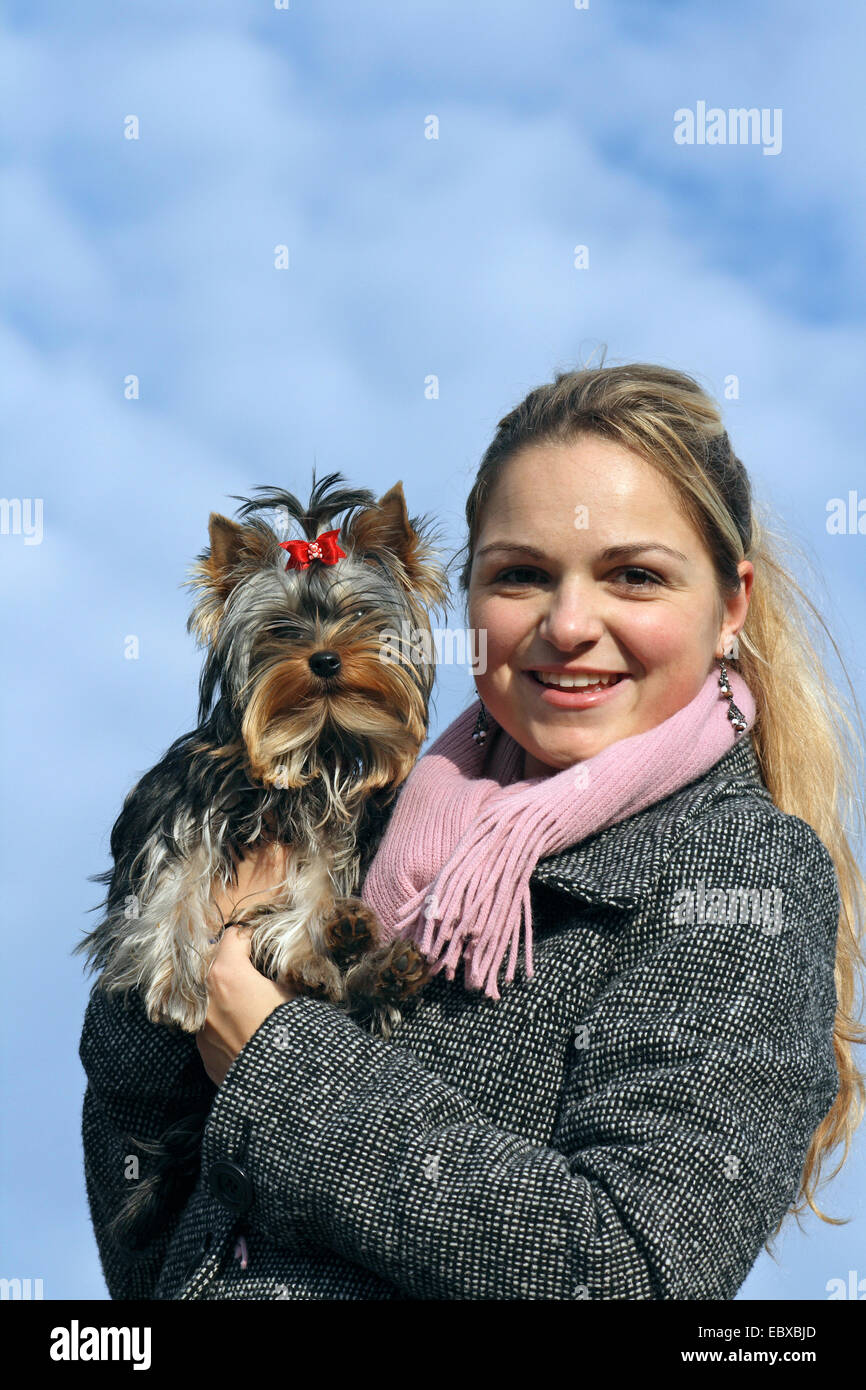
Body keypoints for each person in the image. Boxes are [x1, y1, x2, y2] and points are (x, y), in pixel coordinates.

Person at [79, 361, 866, 1300]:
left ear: (730, 608)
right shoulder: (365, 828)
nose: (569, 624)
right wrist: (159, 1005)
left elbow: (630, 1273)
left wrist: (278, 1059)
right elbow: (157, 1252)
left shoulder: (742, 871)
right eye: (523, 575)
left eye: (635, 576)